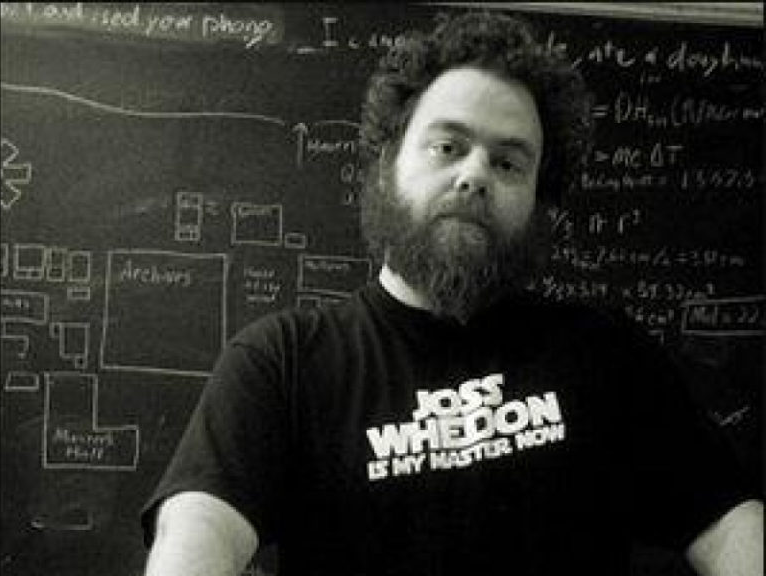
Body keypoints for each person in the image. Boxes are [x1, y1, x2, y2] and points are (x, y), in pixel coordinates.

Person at [141, 11, 763, 576]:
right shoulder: (284, 362)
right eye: (448, 147)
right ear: (387, 163)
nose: (474, 176)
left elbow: (732, 523)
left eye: (508, 162)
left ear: (537, 199)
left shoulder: (607, 355)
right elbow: (199, 529)